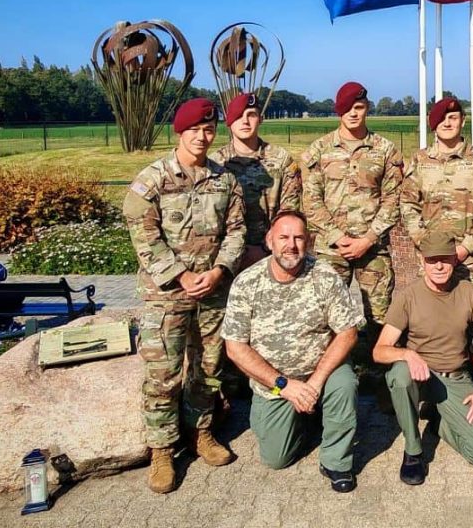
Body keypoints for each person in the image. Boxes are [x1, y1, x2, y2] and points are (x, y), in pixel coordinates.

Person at [123, 98, 246, 494]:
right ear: (180, 132)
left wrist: (219, 270)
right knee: (163, 373)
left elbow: (237, 231)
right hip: (167, 295)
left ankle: (201, 431)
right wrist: (181, 274)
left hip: (211, 291)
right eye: (194, 130)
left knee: (209, 368)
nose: (202, 137)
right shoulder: (153, 180)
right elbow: (144, 236)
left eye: (209, 130)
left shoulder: (225, 180)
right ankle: (162, 449)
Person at [221, 211, 363, 493]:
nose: (291, 245)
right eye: (283, 237)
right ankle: (307, 419)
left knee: (345, 384)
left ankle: (336, 460)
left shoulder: (324, 275)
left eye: (299, 238)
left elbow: (348, 333)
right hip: (276, 383)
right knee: (277, 459)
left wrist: (315, 382)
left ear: (308, 241)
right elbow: (235, 347)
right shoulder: (247, 282)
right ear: (269, 241)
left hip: (321, 373)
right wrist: (284, 386)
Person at [373, 230, 473, 486]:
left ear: (454, 260)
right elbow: (380, 350)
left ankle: (439, 418)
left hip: (455, 377)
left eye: (444, 259)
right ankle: (413, 450)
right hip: (419, 376)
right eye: (432, 260)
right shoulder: (408, 296)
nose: (439, 266)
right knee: (400, 375)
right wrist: (408, 354)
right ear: (422, 261)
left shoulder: (468, 292)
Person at [301, 81, 404, 329]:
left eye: (359, 107)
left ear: (367, 107)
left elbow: (394, 199)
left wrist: (368, 239)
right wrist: (337, 237)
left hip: (373, 248)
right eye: (347, 108)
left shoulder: (385, 150)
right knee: (325, 317)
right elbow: (311, 200)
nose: (353, 114)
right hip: (331, 248)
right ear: (339, 110)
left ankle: (375, 355)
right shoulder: (320, 150)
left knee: (380, 317)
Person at [399, 97, 473, 295]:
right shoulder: (420, 160)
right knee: (430, 313)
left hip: (470, 262)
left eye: (453, 118)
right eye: (442, 118)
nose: (447, 123)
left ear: (463, 120)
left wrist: (465, 248)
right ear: (433, 122)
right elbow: (408, 206)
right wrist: (428, 245)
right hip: (431, 262)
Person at [212, 92, 302, 270]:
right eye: (239, 116)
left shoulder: (281, 160)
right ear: (229, 121)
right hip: (225, 257)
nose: (245, 121)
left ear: (260, 119)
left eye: (251, 115)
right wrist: (232, 254)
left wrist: (264, 248)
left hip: (272, 253)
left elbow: (290, 210)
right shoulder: (216, 163)